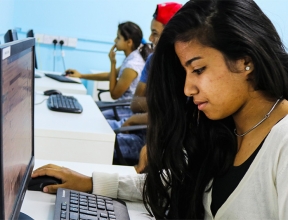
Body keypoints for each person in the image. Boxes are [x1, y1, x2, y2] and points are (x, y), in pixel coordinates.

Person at [32, 0, 288, 219]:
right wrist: (92, 183)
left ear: (246, 61)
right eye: (185, 73)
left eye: (198, 70)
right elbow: (174, 185)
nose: (188, 89)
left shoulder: (283, 141)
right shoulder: (223, 129)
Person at [108, 2, 182, 172]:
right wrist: (163, 105)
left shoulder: (185, 69)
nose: (150, 39)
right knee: (97, 132)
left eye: (155, 33)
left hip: (153, 141)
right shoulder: (153, 60)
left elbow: (174, 114)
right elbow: (135, 103)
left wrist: (149, 110)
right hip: (139, 127)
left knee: (97, 142)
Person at [66, 21, 152, 119]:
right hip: (120, 107)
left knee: (88, 116)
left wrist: (113, 62)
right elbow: (111, 75)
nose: (115, 40)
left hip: (125, 112)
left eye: (118, 38)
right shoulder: (133, 57)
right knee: (87, 107)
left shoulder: (132, 66)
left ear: (129, 42)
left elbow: (114, 94)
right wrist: (81, 75)